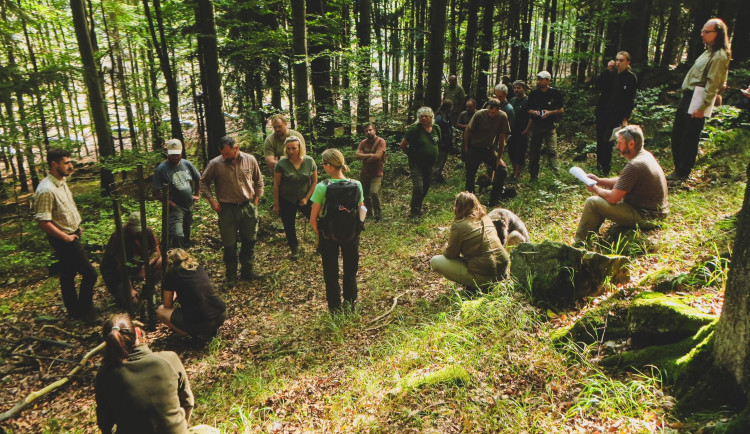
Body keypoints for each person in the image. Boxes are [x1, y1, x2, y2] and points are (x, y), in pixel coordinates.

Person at [95, 313, 194, 433]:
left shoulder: (104, 377)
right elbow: (188, 402)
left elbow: (106, 424)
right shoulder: (169, 359)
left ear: (108, 342)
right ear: (137, 332)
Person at [574, 125, 669, 245]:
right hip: (656, 214)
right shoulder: (646, 156)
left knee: (593, 202)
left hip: (647, 217)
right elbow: (624, 180)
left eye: (620, 143)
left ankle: (579, 245)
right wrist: (599, 181)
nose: (617, 147)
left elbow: (613, 198)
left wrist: (595, 189)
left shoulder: (635, 165)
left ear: (631, 144)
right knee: (598, 201)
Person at [34, 149, 98, 321]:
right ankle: (86, 311)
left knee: (68, 273)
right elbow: (43, 222)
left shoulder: (61, 182)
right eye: (67, 163)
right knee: (91, 274)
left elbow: (63, 211)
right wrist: (66, 237)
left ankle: (75, 311)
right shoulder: (46, 189)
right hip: (64, 239)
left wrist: (76, 227)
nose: (71, 166)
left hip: (73, 234)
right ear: (54, 164)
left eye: (71, 162)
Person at [669, 18, 731, 181]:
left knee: (689, 136)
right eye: (702, 31)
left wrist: (703, 107)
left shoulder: (719, 55)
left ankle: (682, 172)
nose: (702, 34)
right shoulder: (708, 51)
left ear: (717, 33)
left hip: (698, 97)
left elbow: (712, 83)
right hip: (689, 95)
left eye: (706, 32)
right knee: (678, 133)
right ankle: (678, 169)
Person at [200, 136, 264, 284]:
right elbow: (203, 182)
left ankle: (248, 271)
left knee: (249, 241)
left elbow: (259, 180)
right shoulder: (215, 164)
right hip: (226, 209)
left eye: (228, 153)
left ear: (236, 148)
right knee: (229, 245)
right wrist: (211, 200)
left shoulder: (250, 159)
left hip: (247, 207)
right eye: (223, 153)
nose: (225, 156)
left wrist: (256, 200)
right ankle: (231, 276)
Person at [310, 149, 365, 313]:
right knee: (350, 271)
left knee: (331, 273)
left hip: (328, 235)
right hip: (352, 234)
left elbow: (313, 218)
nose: (323, 167)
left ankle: (335, 309)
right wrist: (356, 229)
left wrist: (320, 233)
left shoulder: (322, 187)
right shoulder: (357, 185)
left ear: (329, 166)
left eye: (323, 164)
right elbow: (362, 210)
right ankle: (351, 305)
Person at [430, 192, 510, 292]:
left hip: (486, 276)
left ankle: (476, 285)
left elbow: (450, 254)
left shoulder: (459, 225)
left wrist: (447, 246)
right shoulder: (486, 218)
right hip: (502, 271)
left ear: (458, 207)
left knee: (435, 261)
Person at [157, 249, 227, 339]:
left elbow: (167, 304)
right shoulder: (197, 267)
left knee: (161, 310)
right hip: (221, 313)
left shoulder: (171, 273)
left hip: (202, 321)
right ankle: (209, 331)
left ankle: (192, 336)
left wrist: (174, 295)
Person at [100, 212, 162, 308]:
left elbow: (156, 252)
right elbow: (120, 265)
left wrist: (144, 267)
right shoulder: (118, 236)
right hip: (115, 271)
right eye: (135, 230)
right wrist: (130, 288)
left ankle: (147, 290)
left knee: (162, 262)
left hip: (137, 263)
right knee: (130, 302)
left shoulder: (147, 231)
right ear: (129, 226)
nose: (138, 232)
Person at [273, 136, 318, 259]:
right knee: (289, 225)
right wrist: (276, 204)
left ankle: (321, 244)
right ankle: (294, 249)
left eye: (294, 148)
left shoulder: (309, 161)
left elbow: (314, 182)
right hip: (287, 199)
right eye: (288, 149)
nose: (291, 151)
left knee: (316, 220)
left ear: (300, 148)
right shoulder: (281, 164)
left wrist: (307, 197)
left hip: (306, 198)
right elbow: (276, 184)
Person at [152, 139, 201, 248]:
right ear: (168, 154)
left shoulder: (186, 163)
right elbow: (156, 192)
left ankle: (186, 249)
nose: (175, 157)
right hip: (176, 207)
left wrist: (197, 194)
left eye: (177, 154)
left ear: (181, 152)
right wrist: (170, 203)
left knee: (187, 228)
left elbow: (198, 178)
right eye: (172, 154)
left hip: (189, 204)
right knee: (178, 234)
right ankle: (178, 257)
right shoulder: (161, 169)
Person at [595, 51, 638, 176]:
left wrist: (625, 118)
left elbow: (630, 100)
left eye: (622, 60)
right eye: (617, 60)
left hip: (616, 114)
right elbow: (598, 86)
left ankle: (605, 169)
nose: (618, 63)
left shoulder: (631, 78)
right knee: (600, 139)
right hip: (603, 112)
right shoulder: (610, 74)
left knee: (607, 141)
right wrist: (607, 70)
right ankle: (599, 166)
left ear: (628, 62)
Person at [463, 98, 511, 206]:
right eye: (489, 111)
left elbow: (502, 138)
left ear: (498, 110)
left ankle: (494, 199)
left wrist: (499, 159)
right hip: (473, 147)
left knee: (502, 170)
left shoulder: (502, 116)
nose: (490, 114)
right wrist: (466, 148)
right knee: (470, 175)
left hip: (488, 149)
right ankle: (470, 201)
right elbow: (467, 131)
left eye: (493, 112)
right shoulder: (479, 114)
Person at [523, 71, 565, 180]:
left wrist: (549, 112)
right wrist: (535, 112)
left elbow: (561, 110)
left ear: (548, 80)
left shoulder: (555, 93)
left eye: (542, 79)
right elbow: (529, 109)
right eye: (539, 79)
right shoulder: (534, 94)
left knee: (552, 151)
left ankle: (556, 177)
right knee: (534, 153)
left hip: (550, 126)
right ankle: (533, 177)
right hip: (536, 126)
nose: (539, 81)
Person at [400, 107, 441, 218]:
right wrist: (412, 155)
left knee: (426, 187)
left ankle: (418, 205)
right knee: (418, 187)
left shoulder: (436, 129)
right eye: (421, 116)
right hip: (416, 164)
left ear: (431, 117)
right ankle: (415, 211)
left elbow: (437, 143)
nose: (423, 118)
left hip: (430, 164)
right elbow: (403, 145)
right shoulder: (414, 129)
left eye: (426, 116)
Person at [355, 123, 386, 221]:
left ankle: (378, 214)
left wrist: (364, 156)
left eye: (370, 130)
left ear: (374, 130)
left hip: (376, 174)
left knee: (373, 192)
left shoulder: (380, 141)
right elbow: (357, 155)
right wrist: (370, 155)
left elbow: (377, 157)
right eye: (366, 131)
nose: (368, 132)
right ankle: (369, 214)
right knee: (365, 195)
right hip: (365, 173)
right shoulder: (363, 142)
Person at [508, 80, 530, 181]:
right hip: (512, 130)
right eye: (515, 88)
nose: (516, 90)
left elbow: (531, 117)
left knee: (520, 152)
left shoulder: (528, 100)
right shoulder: (512, 100)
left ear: (524, 88)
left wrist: (527, 129)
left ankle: (517, 174)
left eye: (518, 88)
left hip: (523, 131)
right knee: (511, 151)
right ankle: (513, 171)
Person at [433, 100, 454, 183]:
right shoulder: (438, 118)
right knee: (438, 161)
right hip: (441, 144)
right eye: (451, 107)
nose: (452, 109)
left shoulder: (446, 116)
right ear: (447, 107)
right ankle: (433, 179)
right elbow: (436, 132)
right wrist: (439, 143)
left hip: (446, 144)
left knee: (442, 160)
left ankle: (438, 176)